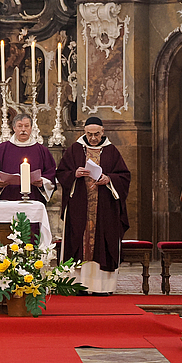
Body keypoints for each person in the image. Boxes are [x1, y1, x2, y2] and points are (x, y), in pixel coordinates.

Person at [55, 117, 131, 294]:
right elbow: (61, 172)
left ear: (103, 132)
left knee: (102, 243)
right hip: (79, 207)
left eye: (97, 134)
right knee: (79, 243)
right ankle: (77, 285)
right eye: (89, 134)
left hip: (105, 209)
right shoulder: (75, 149)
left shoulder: (111, 151)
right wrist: (74, 174)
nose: (93, 138)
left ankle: (101, 287)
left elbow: (124, 176)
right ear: (84, 132)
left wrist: (109, 179)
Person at [0, 113, 56, 204]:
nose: (23, 129)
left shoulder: (42, 151)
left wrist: (42, 182)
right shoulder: (1, 149)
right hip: (7, 198)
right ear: (14, 128)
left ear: (31, 128)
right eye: (20, 126)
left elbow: (50, 173)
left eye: (26, 126)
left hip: (34, 199)